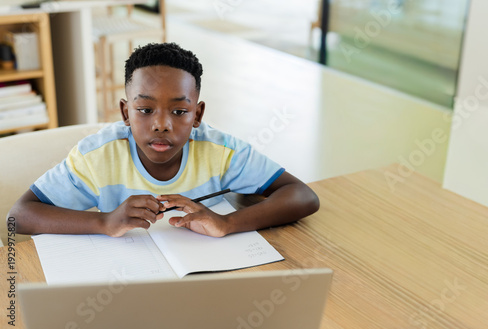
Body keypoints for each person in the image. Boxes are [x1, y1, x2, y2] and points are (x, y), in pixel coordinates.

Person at [8, 42, 319, 238]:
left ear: (197, 116)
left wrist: (228, 223)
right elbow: (19, 216)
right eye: (144, 109)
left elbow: (302, 195)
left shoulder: (219, 150)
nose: (161, 125)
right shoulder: (98, 156)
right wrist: (104, 222)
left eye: (180, 111)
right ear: (125, 112)